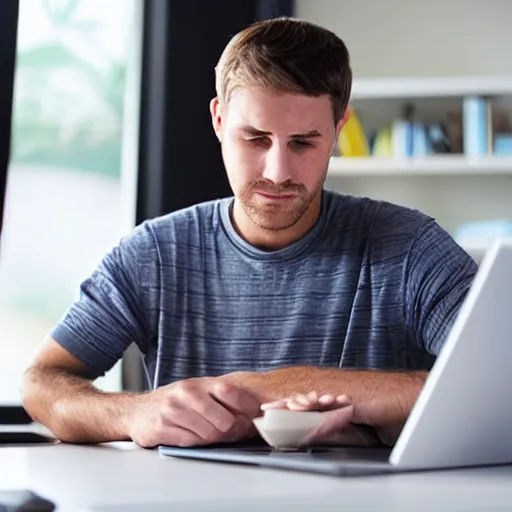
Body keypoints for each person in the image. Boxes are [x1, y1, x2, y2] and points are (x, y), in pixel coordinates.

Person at [21, 17, 476, 449]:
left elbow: (498, 380)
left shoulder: (412, 248)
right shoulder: (155, 253)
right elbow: (42, 383)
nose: (278, 172)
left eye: (303, 142)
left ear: (338, 130)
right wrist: (133, 414)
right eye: (255, 138)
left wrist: (277, 387)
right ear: (219, 120)